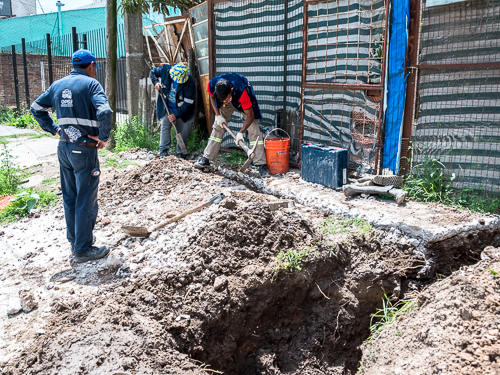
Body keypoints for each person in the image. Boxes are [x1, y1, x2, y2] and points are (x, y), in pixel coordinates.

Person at [30, 49, 112, 263]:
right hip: (84, 150)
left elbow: (36, 108)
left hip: (64, 148)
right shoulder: (92, 85)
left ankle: (75, 240)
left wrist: (55, 129)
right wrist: (103, 137)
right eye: (95, 68)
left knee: (70, 196)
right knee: (86, 197)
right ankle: (83, 249)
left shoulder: (57, 85)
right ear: (92, 66)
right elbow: (105, 112)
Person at [194, 73, 270, 177]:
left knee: (254, 129)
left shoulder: (242, 92)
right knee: (218, 126)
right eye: (222, 99)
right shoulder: (212, 84)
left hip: (241, 98)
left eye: (225, 98)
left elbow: (250, 116)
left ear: (231, 90)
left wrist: (240, 133)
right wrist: (218, 115)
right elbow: (212, 98)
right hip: (228, 99)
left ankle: (261, 164)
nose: (223, 101)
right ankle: (206, 158)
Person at [150, 63, 196, 158]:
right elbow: (152, 72)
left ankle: (181, 152)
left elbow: (188, 104)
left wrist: (176, 114)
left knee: (183, 129)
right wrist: (156, 83)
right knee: (165, 125)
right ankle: (163, 151)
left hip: (183, 111)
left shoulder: (190, 83)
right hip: (167, 107)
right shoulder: (166, 70)